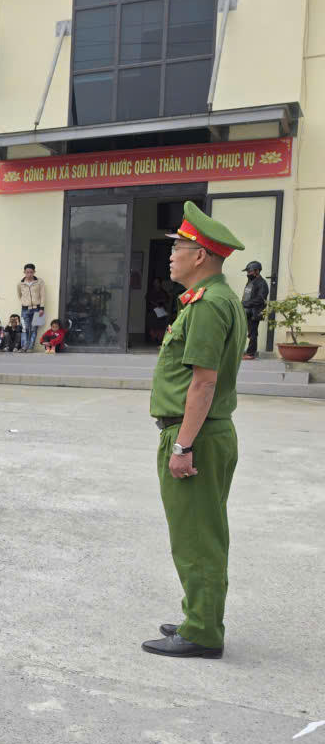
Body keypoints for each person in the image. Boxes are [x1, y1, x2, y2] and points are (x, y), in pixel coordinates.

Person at [142, 201, 246, 659]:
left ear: (200, 255)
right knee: (200, 532)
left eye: (178, 248)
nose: (171, 256)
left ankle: (203, 632)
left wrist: (182, 445)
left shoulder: (207, 305)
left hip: (195, 435)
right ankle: (198, 616)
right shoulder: (218, 298)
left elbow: (203, 382)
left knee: (197, 538)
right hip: (204, 432)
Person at [241, 260, 269, 360]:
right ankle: (244, 351)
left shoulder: (262, 283)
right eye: (247, 272)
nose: (248, 274)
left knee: (252, 333)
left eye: (250, 271)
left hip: (254, 312)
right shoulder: (250, 281)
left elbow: (261, 299)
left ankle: (251, 353)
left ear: (257, 271)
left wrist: (245, 304)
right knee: (243, 332)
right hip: (246, 311)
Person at [17, 263, 45, 351]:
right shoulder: (20, 284)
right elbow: (19, 295)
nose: (29, 274)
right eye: (27, 272)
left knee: (34, 329)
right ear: (24, 272)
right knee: (25, 329)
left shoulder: (39, 282)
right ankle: (24, 347)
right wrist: (24, 302)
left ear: (34, 272)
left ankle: (30, 348)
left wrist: (42, 308)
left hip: (37, 309)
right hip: (25, 309)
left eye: (31, 272)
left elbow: (43, 295)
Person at [147, 277, 173, 345]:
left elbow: (167, 300)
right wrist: (154, 303)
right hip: (153, 312)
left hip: (161, 313)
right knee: (153, 326)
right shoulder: (151, 292)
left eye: (157, 282)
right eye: (155, 282)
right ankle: (153, 339)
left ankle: (160, 340)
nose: (156, 284)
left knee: (161, 327)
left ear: (160, 283)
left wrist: (161, 303)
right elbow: (148, 299)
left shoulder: (163, 292)